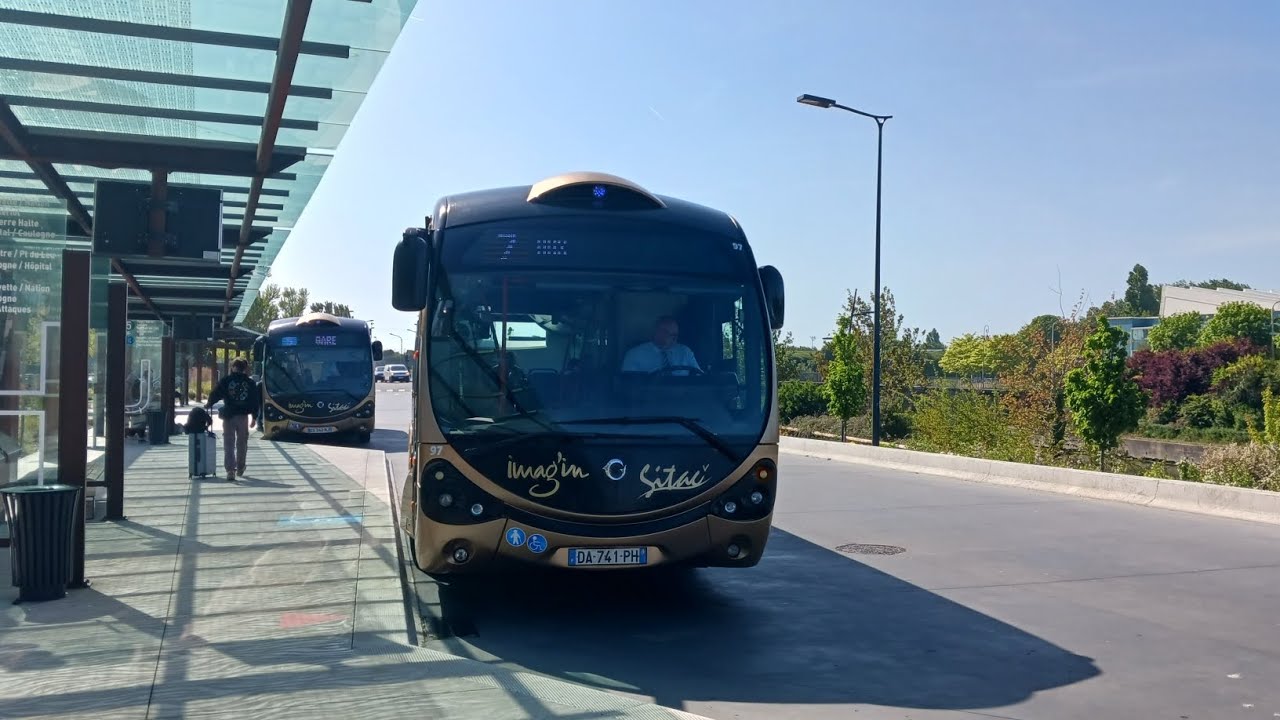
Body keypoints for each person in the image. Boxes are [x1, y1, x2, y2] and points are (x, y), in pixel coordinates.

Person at [205, 357, 260, 481]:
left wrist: (209, 403)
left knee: (228, 443)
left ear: (232, 367)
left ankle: (230, 470)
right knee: (242, 443)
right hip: (243, 417)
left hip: (228, 416)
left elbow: (216, 393)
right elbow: (255, 401)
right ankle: (240, 467)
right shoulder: (250, 383)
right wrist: (254, 417)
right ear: (245, 368)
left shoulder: (226, 380)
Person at [622, 316, 700, 374]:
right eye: (670, 334)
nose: (674, 338)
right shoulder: (635, 354)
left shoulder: (685, 352)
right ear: (656, 332)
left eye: (676, 335)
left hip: (684, 394)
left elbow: (700, 378)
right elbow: (628, 384)